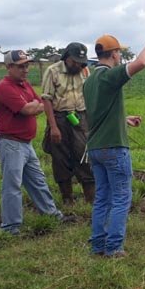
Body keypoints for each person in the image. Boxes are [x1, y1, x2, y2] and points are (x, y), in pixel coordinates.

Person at [83, 30, 145, 257]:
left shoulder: (89, 80)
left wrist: (124, 119)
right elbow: (141, 62)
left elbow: (98, 112)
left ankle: (97, 246)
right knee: (121, 198)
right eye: (119, 52)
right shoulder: (109, 76)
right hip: (114, 147)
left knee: (102, 198)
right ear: (113, 55)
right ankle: (114, 248)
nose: (120, 57)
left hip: (95, 148)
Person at [0, 50, 68, 235]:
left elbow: (39, 103)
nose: (26, 69)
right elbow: (28, 109)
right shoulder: (4, 87)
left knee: (38, 181)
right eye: (21, 66)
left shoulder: (24, 85)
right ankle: (11, 227)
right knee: (12, 186)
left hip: (25, 143)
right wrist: (37, 106)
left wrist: (37, 106)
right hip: (11, 143)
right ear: (9, 67)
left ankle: (52, 215)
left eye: (27, 65)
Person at [41, 42, 95, 205]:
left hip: (81, 116)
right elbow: (47, 100)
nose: (78, 65)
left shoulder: (85, 71)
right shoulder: (53, 71)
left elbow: (90, 95)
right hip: (60, 117)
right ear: (66, 58)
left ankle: (91, 198)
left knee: (84, 155)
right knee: (61, 158)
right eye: (74, 61)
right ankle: (67, 199)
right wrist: (54, 127)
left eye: (81, 61)